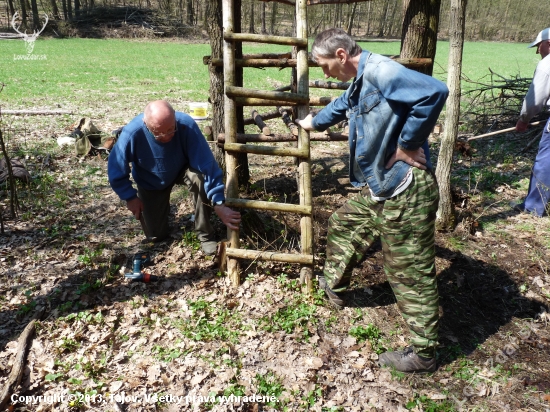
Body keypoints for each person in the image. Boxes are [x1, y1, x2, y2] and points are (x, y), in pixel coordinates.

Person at [296, 29, 448, 373]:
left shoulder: (382, 71)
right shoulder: (362, 79)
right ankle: (335, 288)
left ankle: (424, 354)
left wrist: (408, 144)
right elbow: (344, 103)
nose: (323, 73)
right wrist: (313, 124)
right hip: (381, 185)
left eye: (322, 65)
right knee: (345, 224)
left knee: (409, 271)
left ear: (339, 55)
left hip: (406, 190)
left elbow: (435, 91)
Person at [108, 100, 241, 255]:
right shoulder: (132, 133)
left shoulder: (186, 125)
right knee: (156, 235)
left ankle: (205, 234)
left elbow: (207, 165)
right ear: (146, 124)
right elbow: (116, 168)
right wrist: (129, 197)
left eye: (171, 130)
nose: (166, 137)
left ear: (174, 118)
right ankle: (161, 219)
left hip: (181, 169)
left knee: (199, 178)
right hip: (149, 179)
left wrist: (218, 202)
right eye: (159, 133)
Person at [511, 28, 550, 217]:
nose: (538, 51)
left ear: (548, 43)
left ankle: (534, 208)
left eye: (539, 46)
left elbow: (535, 100)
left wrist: (523, 120)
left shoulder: (547, 64)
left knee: (545, 163)